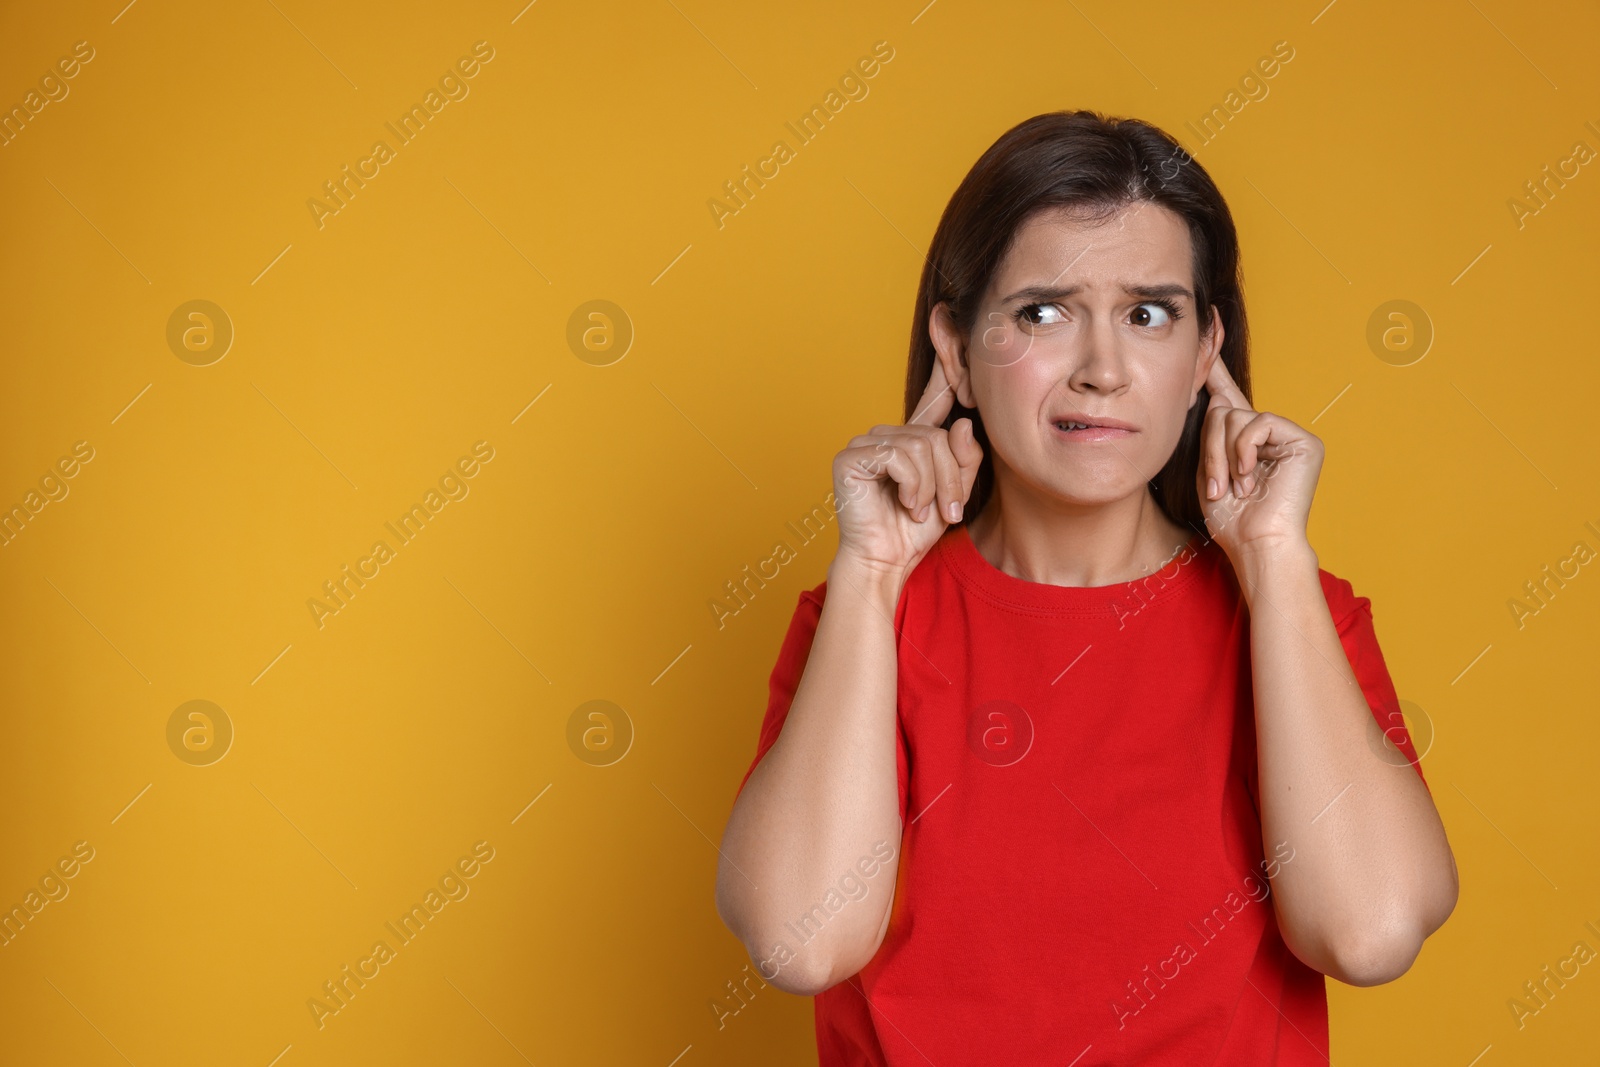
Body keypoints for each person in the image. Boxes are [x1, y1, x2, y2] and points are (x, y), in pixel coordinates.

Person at [713, 109, 1457, 1065]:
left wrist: (1273, 556)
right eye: (1043, 313)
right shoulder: (863, 619)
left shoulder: (1294, 612)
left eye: (1149, 314)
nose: (1103, 371)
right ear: (956, 352)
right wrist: (871, 570)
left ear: (1204, 356)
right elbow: (801, 939)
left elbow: (1370, 931)